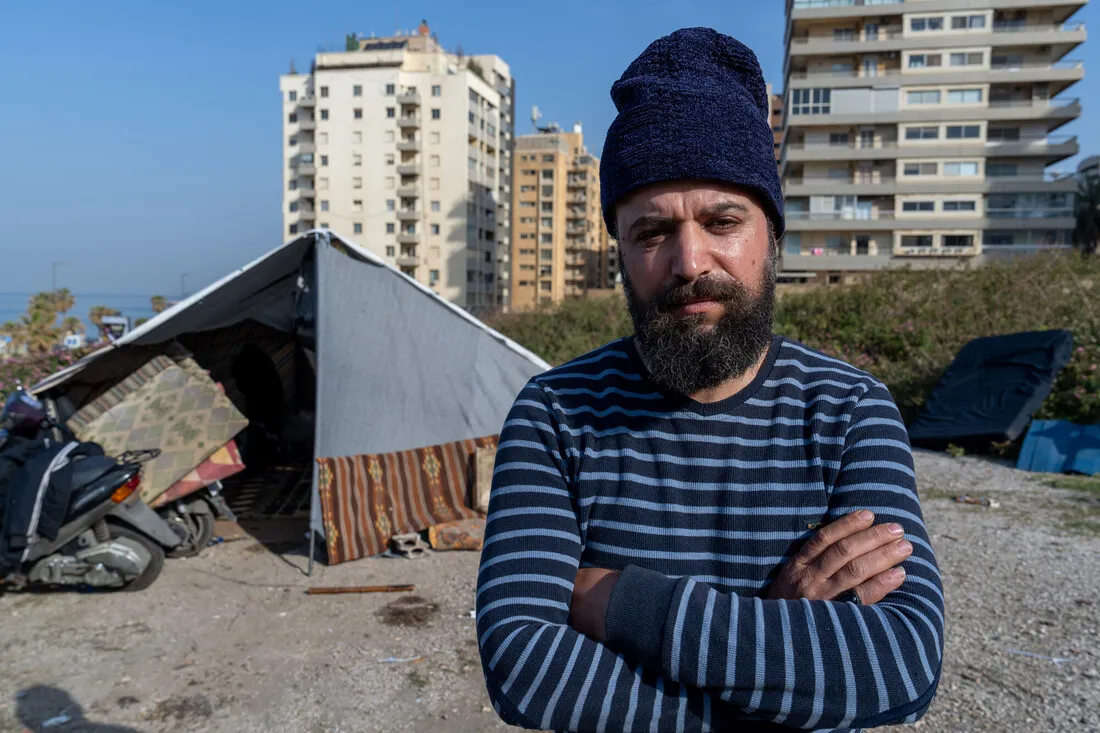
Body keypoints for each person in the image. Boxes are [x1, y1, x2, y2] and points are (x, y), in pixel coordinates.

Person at [475, 27, 944, 732]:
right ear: (622, 252)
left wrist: (616, 601)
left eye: (722, 219)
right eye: (652, 232)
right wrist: (776, 635)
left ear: (772, 235)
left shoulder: (849, 411)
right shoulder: (556, 414)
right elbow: (526, 668)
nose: (689, 259)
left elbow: (899, 665)